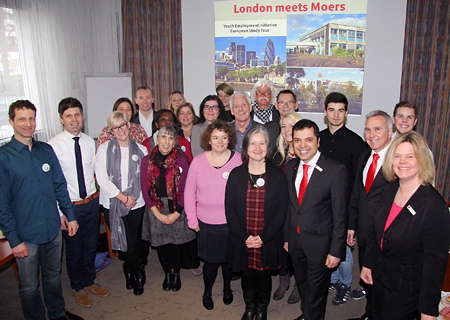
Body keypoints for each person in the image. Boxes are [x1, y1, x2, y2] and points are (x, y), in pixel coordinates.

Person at [0, 100, 82, 320]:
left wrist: (69, 215)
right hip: (25, 234)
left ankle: (56, 314)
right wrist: (14, 240)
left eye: (31, 118)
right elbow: (2, 203)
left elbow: (59, 185)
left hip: (52, 227)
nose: (28, 124)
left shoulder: (45, 150)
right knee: (28, 285)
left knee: (53, 275)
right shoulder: (4, 157)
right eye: (22, 119)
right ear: (11, 122)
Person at [360, 131, 450, 320]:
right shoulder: (389, 189)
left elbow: (435, 264)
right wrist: (368, 264)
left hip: (405, 290)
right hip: (379, 278)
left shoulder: (434, 206)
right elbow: (376, 233)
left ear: (422, 160)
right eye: (398, 156)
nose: (403, 162)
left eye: (410, 156)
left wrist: (428, 310)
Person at [48, 98, 109, 308]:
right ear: (61, 120)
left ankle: (90, 281)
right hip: (70, 207)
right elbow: (53, 183)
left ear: (82, 117)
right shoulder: (53, 146)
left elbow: (93, 173)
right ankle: (77, 287)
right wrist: (61, 213)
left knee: (91, 244)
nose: (74, 119)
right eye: (69, 116)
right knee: (74, 249)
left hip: (91, 203)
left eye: (77, 115)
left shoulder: (88, 142)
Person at [285, 119, 348, 320]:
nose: (303, 145)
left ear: (318, 141)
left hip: (321, 246)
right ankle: (307, 314)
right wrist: (287, 238)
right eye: (297, 140)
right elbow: (290, 208)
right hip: (296, 242)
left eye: (308, 140)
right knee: (303, 286)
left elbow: (340, 215)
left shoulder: (335, 170)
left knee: (316, 292)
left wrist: (336, 250)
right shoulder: (291, 167)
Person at [225, 126, 288, 320]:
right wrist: (245, 237)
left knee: (263, 277)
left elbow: (281, 212)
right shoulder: (236, 175)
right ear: (246, 147)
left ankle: (262, 310)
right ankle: (249, 308)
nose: (258, 148)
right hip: (242, 238)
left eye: (262, 143)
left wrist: (262, 238)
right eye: (253, 143)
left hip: (266, 240)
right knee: (246, 275)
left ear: (268, 147)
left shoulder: (277, 176)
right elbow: (230, 211)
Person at [184, 120, 242, 310]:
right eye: (215, 137)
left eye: (224, 137)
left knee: (227, 262)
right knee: (209, 262)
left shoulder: (239, 160)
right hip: (206, 223)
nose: (220, 141)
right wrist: (191, 219)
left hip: (230, 223)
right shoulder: (198, 161)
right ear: (208, 139)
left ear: (229, 139)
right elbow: (189, 192)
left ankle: (227, 289)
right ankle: (207, 291)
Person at [318, 92, 368, 306]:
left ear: (346, 113)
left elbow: (358, 183)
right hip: (320, 205)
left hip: (344, 206)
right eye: (331, 110)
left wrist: (352, 219)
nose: (336, 115)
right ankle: (334, 279)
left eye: (340, 111)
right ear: (325, 112)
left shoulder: (356, 143)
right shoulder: (317, 138)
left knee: (345, 250)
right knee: (327, 245)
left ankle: (345, 284)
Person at [95, 111, 148, 296]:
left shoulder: (142, 150)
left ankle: (129, 269)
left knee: (132, 240)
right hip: (112, 204)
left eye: (123, 125)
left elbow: (145, 178)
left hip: (137, 203)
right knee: (125, 243)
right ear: (111, 130)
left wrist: (133, 198)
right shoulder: (103, 150)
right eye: (116, 127)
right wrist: (123, 197)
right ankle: (138, 271)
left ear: (128, 125)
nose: (120, 130)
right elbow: (102, 179)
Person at [347, 110, 393, 320]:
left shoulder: (398, 160)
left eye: (377, 129)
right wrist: (352, 225)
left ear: (390, 132)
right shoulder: (365, 155)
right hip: (365, 234)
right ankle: (370, 313)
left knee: (385, 283)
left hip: (386, 238)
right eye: (367, 129)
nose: (371, 134)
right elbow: (358, 194)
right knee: (369, 278)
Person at [140, 125, 198, 292]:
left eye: (170, 138)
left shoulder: (181, 160)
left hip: (177, 206)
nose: (166, 141)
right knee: (162, 244)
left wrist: (177, 212)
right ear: (156, 140)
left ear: (175, 142)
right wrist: (157, 213)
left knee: (177, 242)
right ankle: (167, 272)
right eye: (163, 137)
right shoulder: (147, 160)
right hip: (155, 208)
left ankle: (177, 272)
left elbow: (187, 188)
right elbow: (145, 189)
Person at [270, 111, 302, 304]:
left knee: (297, 250)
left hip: (299, 214)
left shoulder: (306, 155)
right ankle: (284, 281)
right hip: (280, 213)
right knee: (282, 249)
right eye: (284, 126)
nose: (288, 130)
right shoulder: (277, 156)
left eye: (292, 126)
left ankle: (299, 283)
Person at [265, 89, 299, 154]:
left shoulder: (304, 128)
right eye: (282, 102)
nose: (286, 106)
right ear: (276, 106)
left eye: (290, 102)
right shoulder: (267, 128)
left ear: (296, 105)